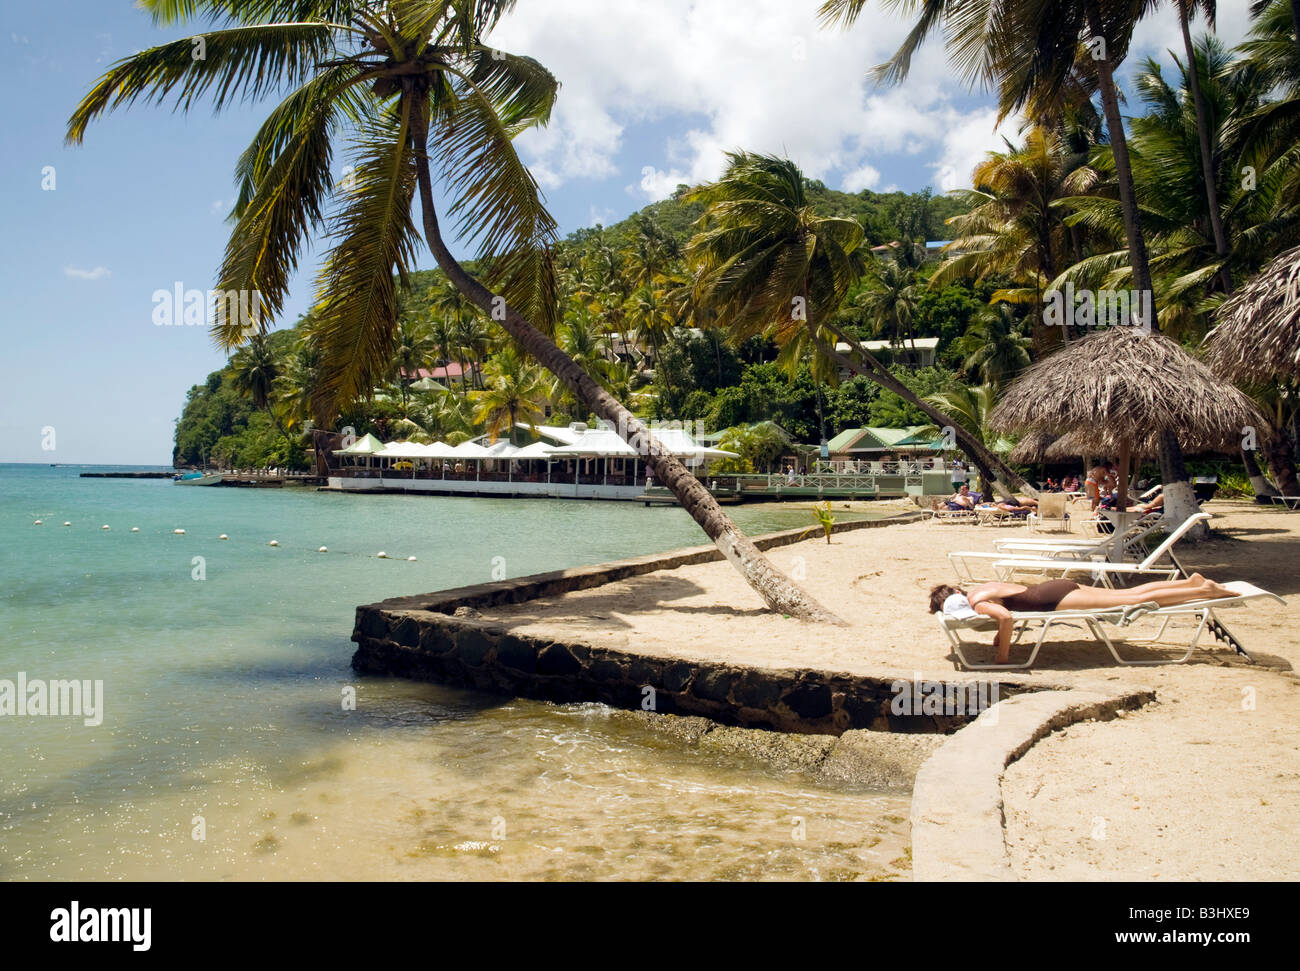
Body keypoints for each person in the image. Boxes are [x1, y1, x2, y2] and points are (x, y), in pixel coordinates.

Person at [929, 574, 1236, 663]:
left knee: (1134, 599)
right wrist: (998, 634)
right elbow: (1005, 612)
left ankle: (1204, 591)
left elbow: (1006, 618)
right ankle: (1189, 583)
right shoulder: (982, 589)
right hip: (1052, 588)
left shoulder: (976, 603)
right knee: (1130, 593)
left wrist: (1002, 657)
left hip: (1054, 599)